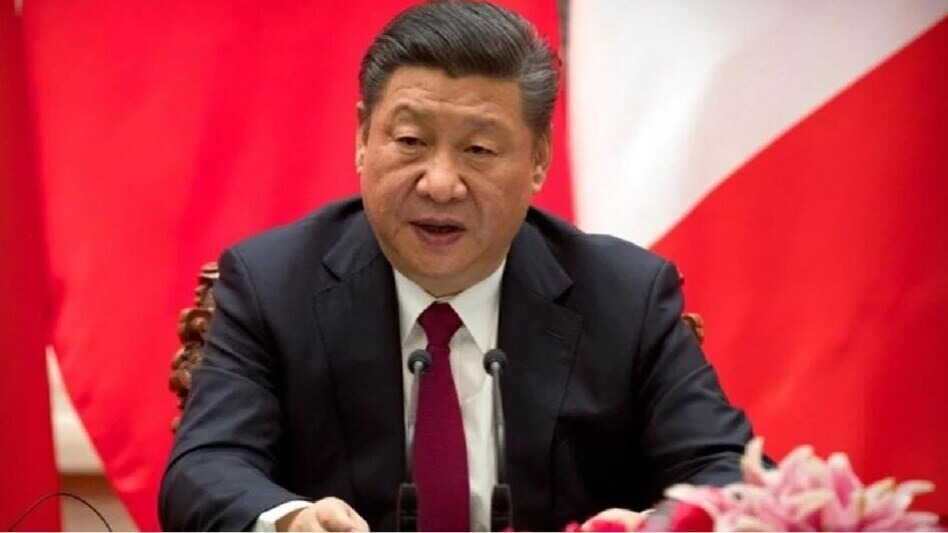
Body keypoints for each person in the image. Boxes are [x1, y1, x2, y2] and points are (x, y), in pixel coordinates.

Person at [159, 2, 757, 531]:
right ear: (363, 137)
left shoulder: (625, 295)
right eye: (411, 141)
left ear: (538, 159)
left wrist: (659, 526)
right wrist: (291, 521)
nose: (440, 184)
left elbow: (728, 470)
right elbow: (206, 467)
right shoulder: (272, 284)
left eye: (478, 150)